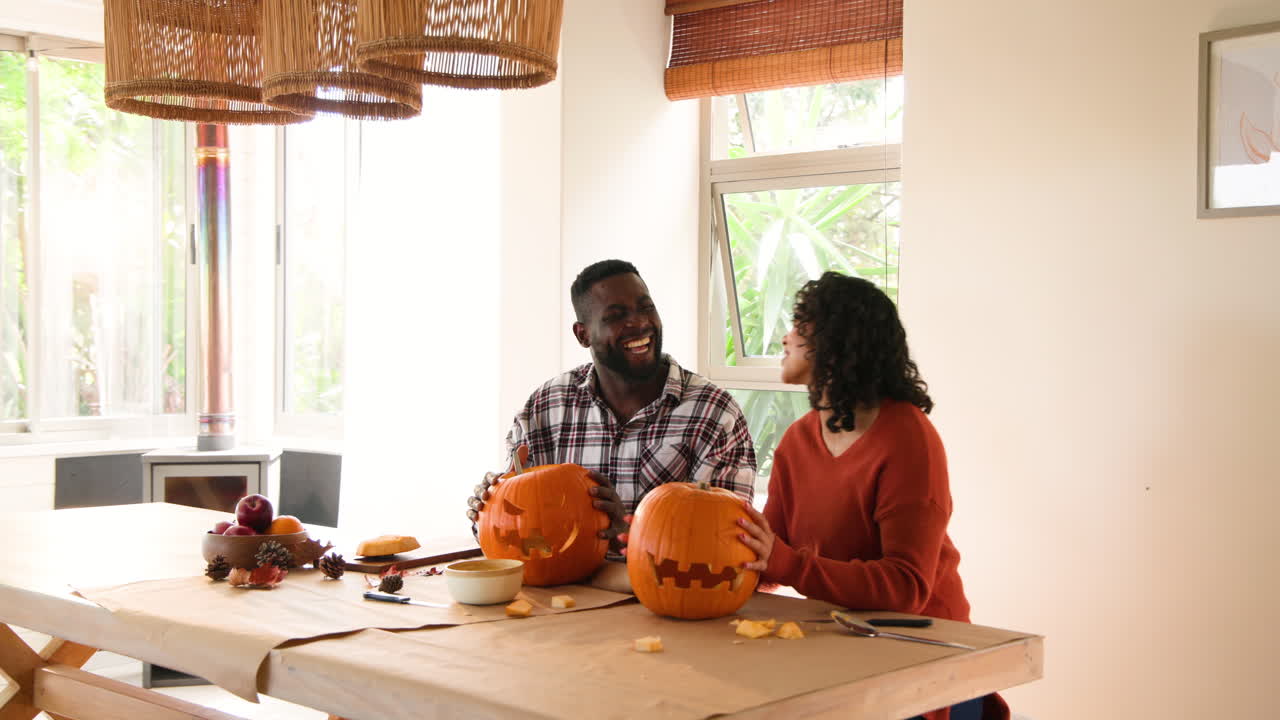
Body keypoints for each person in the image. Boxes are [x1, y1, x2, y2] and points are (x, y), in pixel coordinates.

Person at [736, 272, 1008, 720]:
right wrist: (698, 555)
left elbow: (906, 587)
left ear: (836, 342)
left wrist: (791, 564)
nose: (785, 338)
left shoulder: (908, 437)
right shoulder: (797, 441)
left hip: (925, 651)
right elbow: (768, 558)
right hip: (845, 645)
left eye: (799, 325)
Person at [467, 259, 757, 570]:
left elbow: (727, 543)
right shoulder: (544, 407)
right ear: (583, 335)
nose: (639, 323)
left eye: (646, 308)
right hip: (562, 596)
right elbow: (514, 531)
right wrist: (487, 508)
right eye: (616, 316)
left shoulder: (713, 414)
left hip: (666, 604)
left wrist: (633, 531)